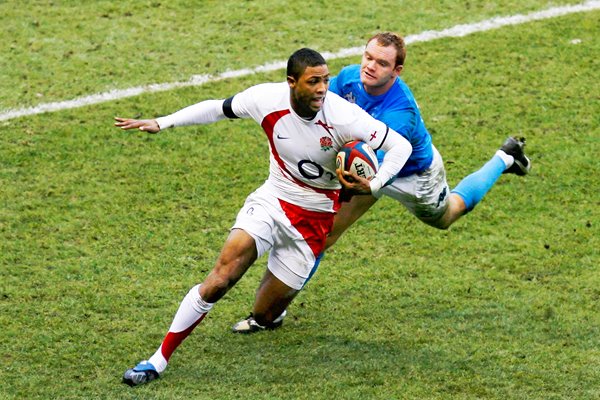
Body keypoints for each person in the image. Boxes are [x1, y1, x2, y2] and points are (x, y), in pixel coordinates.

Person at [114, 48, 413, 386]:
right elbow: (217, 108)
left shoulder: (345, 117)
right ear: (291, 82)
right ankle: (158, 359)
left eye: (325, 81)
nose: (321, 89)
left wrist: (375, 184)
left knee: (264, 314)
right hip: (273, 199)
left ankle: (271, 315)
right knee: (221, 276)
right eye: (313, 81)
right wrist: (163, 122)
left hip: (313, 221)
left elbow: (400, 146)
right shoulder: (265, 99)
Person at [232, 32, 531, 333]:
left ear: (396, 71)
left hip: (412, 174)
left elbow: (366, 163)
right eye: (368, 57)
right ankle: (273, 311)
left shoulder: (400, 114)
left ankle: (505, 158)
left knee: (448, 214)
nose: (371, 66)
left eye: (382, 63)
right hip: (365, 168)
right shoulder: (348, 78)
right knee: (323, 233)